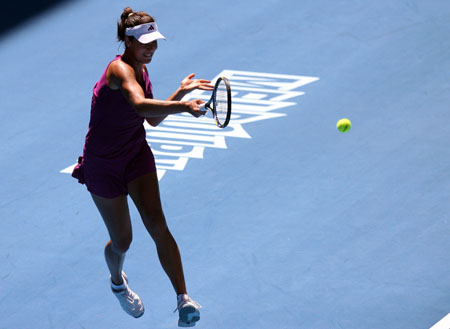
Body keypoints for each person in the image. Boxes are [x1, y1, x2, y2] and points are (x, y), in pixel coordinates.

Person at [72, 7, 213, 327]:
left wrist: (180, 91)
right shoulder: (119, 71)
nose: (151, 47)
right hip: (103, 165)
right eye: (144, 42)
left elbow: (150, 118)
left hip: (135, 155)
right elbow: (137, 103)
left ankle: (183, 299)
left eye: (155, 41)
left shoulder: (143, 70)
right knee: (123, 241)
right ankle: (117, 282)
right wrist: (183, 106)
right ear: (127, 41)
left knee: (158, 224)